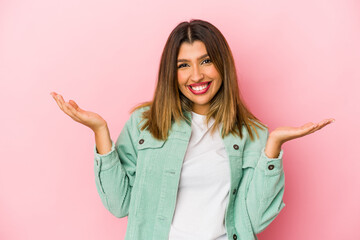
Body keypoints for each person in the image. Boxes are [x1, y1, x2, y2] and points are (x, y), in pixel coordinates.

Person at [51, 19, 334, 240]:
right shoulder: (145, 123)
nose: (197, 75)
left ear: (223, 64)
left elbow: (255, 219)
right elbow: (120, 205)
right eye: (183, 65)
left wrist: (273, 149)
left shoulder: (252, 134)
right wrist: (100, 131)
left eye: (206, 61)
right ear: (171, 74)